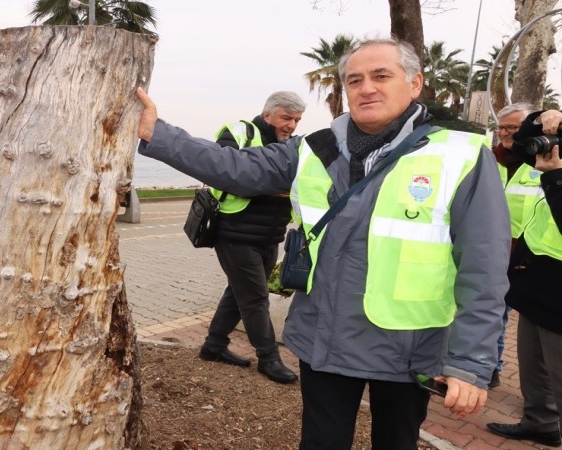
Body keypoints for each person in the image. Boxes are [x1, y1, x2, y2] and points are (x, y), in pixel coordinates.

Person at [135, 37, 509, 450]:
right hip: (325, 338)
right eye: (354, 80)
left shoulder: (459, 155)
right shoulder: (316, 147)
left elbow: (484, 270)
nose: (366, 88)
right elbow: (235, 167)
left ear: (415, 83)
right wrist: (157, 133)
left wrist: (470, 362)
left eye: (381, 76)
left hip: (410, 347)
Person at [198, 92, 305, 384]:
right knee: (256, 297)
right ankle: (269, 358)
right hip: (234, 233)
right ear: (268, 114)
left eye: (297, 120)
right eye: (286, 118)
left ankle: (213, 346)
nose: (291, 125)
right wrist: (280, 189)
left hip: (270, 235)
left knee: (239, 292)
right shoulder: (239, 133)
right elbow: (223, 175)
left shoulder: (291, 146)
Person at [486, 109, 562, 448]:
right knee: (533, 362)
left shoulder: (554, 173)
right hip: (538, 276)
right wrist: (544, 117)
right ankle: (540, 422)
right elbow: (520, 145)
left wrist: (555, 177)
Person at [489, 102, 536, 389]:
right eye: (501, 128)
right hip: (492, 249)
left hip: (529, 255)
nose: (505, 133)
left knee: (533, 326)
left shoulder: (545, 161)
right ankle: (490, 368)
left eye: (512, 128)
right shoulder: (489, 159)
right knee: (493, 312)